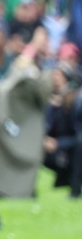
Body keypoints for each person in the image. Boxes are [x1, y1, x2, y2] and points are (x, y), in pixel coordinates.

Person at [42, 63, 82, 200]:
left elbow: (79, 137)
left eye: (59, 77)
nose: (55, 81)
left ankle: (75, 190)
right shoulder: (56, 105)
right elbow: (50, 129)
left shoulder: (78, 102)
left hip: (74, 148)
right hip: (64, 149)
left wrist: (58, 143)